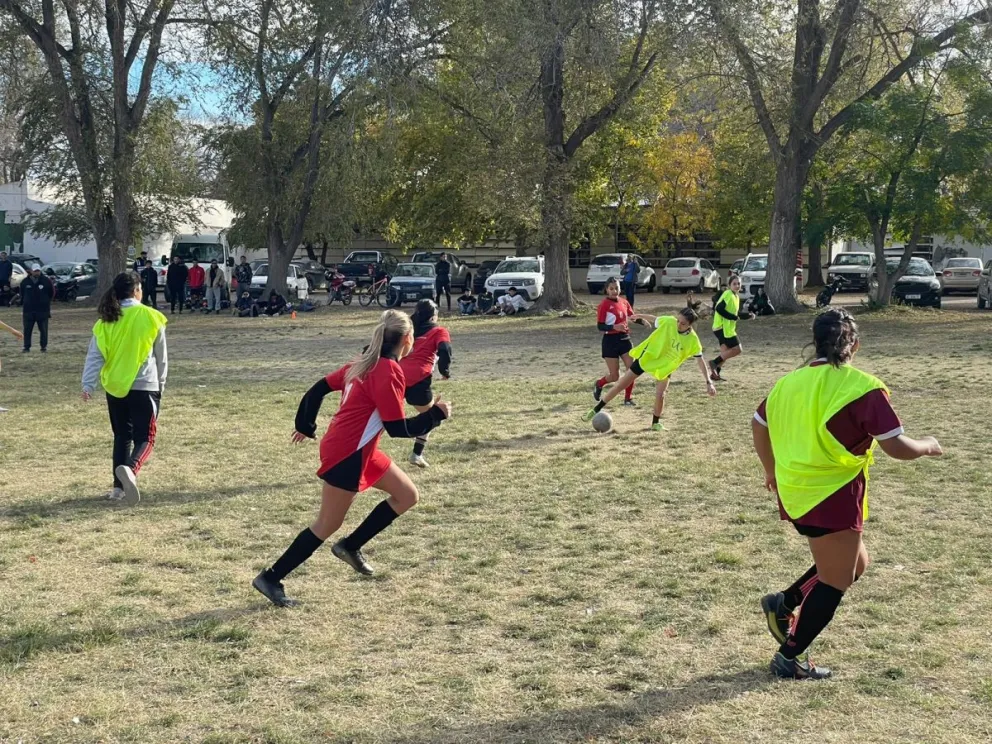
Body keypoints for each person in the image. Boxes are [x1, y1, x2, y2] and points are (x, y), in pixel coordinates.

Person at [752, 308, 942, 680]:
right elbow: (898, 447)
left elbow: (759, 423)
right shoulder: (861, 387)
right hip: (831, 495)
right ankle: (789, 657)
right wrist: (928, 445)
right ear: (853, 344)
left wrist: (771, 470)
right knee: (836, 580)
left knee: (856, 564)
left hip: (797, 491)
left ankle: (785, 601)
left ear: (816, 341)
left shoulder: (788, 383)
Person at [251, 309, 453, 607]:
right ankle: (271, 577)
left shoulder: (362, 363)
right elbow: (398, 429)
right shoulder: (387, 370)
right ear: (408, 340)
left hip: (360, 449)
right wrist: (436, 415)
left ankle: (350, 546)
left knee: (407, 495)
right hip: (349, 453)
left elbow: (317, 389)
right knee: (326, 524)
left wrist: (305, 425)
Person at [81, 271, 168, 506]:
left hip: (116, 386)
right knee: (147, 438)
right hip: (144, 386)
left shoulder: (106, 320)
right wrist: (161, 383)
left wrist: (88, 384)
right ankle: (130, 469)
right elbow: (161, 357)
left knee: (122, 436)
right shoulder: (151, 316)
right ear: (137, 290)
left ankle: (117, 489)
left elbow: (94, 356)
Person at [584, 297, 715, 431]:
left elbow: (700, 360)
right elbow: (655, 319)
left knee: (661, 394)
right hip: (649, 357)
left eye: (682, 323)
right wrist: (639, 315)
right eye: (678, 320)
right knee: (621, 385)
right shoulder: (670, 321)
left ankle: (655, 423)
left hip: (665, 366)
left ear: (689, 325)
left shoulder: (693, 340)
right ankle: (595, 410)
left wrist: (708, 381)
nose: (678, 324)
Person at [400, 300, 452, 468]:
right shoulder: (439, 331)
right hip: (418, 380)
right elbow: (444, 349)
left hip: (395, 376)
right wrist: (445, 371)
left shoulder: (408, 329)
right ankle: (416, 454)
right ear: (433, 316)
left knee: (381, 417)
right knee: (431, 416)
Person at [593, 277, 636, 407]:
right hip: (610, 341)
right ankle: (599, 384)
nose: (614, 291)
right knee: (614, 376)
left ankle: (628, 399)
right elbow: (600, 326)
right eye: (611, 288)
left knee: (632, 370)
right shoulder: (604, 305)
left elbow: (632, 316)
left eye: (616, 288)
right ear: (607, 290)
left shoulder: (624, 302)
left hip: (624, 339)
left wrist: (641, 321)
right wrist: (614, 327)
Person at [709, 275, 753, 381]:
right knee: (738, 349)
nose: (737, 285)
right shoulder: (728, 294)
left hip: (724, 328)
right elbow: (718, 308)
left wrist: (748, 315)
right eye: (734, 284)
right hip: (722, 327)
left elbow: (736, 314)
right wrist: (733, 317)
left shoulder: (736, 297)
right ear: (729, 285)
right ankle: (714, 362)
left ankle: (715, 374)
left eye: (738, 283)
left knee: (726, 352)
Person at [20, 264, 54, 353]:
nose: (37, 272)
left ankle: (43, 347)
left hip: (42, 311)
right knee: (27, 330)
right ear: (31, 271)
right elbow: (22, 294)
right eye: (35, 271)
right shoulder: (25, 282)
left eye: (38, 271)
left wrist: (45, 301)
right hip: (28, 311)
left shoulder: (46, 281)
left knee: (43, 330)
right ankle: (26, 347)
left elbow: (52, 293)